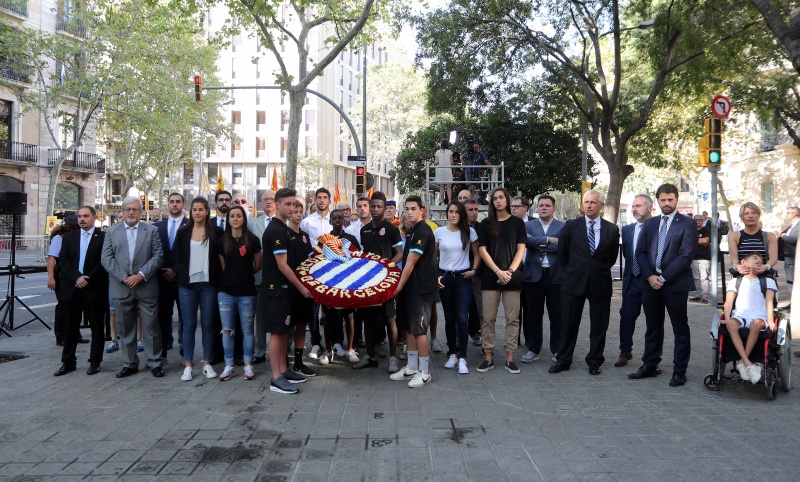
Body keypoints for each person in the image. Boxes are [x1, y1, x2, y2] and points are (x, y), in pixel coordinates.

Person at [629, 184, 697, 387]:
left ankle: (679, 370)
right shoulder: (650, 224)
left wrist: (664, 277)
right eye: (663, 200)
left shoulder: (687, 224)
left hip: (674, 284)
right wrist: (650, 276)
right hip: (650, 284)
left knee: (680, 328)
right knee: (652, 326)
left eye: (670, 200)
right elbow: (639, 252)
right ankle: (650, 364)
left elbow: (686, 255)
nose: (666, 203)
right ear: (657, 201)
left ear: (676, 200)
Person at [549, 190, 619, 375]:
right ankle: (563, 360)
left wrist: (596, 270)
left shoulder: (611, 229)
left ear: (601, 206)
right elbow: (562, 253)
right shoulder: (571, 226)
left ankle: (595, 361)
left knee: (599, 324)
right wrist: (573, 271)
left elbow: (611, 257)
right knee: (568, 323)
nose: (588, 205)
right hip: (573, 282)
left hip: (600, 282)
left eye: (593, 202)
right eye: (586, 202)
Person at [100, 196, 165, 378]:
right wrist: (124, 277)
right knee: (124, 327)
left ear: (141, 213)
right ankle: (129, 363)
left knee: (151, 326)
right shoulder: (112, 232)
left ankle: (155, 362)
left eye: (135, 209)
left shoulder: (151, 230)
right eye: (127, 209)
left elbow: (158, 256)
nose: (131, 212)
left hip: (146, 286)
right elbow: (106, 258)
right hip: (121, 287)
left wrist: (140, 275)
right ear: (122, 211)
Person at [261, 188, 312, 394]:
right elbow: (282, 265)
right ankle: (276, 378)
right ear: (277, 205)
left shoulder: (282, 228)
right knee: (277, 333)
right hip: (276, 290)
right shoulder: (276, 230)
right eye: (288, 204)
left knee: (283, 332)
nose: (291, 208)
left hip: (284, 290)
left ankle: (284, 370)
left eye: (294, 204)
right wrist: (302, 287)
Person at [390, 195, 439, 387]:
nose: (409, 212)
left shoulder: (423, 231)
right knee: (408, 328)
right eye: (407, 209)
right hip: (409, 289)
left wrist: (397, 287)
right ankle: (411, 367)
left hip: (420, 290)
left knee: (419, 331)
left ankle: (425, 372)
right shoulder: (411, 231)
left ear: (422, 210)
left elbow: (409, 263)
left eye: (413, 209)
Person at [54, 206, 109, 376]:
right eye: (80, 216)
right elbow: (63, 260)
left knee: (96, 326)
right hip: (72, 288)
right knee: (70, 327)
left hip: (94, 289)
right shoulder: (69, 237)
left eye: (86, 216)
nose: (82, 219)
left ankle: (95, 361)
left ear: (94, 217)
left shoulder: (103, 237)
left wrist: (88, 278)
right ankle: (68, 361)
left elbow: (104, 261)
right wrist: (76, 278)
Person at [476, 187, 526, 374]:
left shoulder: (517, 223)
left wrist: (510, 271)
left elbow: (521, 249)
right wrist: (498, 271)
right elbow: (482, 250)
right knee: (488, 319)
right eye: (495, 198)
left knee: (512, 319)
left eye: (501, 197)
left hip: (512, 278)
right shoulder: (486, 224)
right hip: (491, 277)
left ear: (507, 199)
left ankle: (510, 358)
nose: (498, 201)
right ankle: (488, 357)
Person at [173, 197, 224, 381]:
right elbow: (176, 256)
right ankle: (187, 365)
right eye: (194, 209)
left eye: (201, 209)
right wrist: (181, 273)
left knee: (209, 325)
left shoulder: (217, 232)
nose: (197, 213)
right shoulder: (183, 231)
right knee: (188, 326)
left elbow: (221, 257)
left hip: (209, 285)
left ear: (207, 211)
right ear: (191, 211)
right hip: (187, 286)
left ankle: (207, 363)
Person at [358, 191, 403, 372]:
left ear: (385, 208)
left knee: (390, 319)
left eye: (379, 206)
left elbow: (399, 253)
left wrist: (386, 267)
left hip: (387, 282)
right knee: (368, 320)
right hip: (369, 282)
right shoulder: (364, 230)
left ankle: (392, 358)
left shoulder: (392, 229)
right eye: (373, 206)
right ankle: (370, 356)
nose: (375, 210)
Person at [216, 205, 261, 381]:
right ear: (228, 220)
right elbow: (223, 267)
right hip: (226, 292)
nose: (235, 219)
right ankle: (229, 365)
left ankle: (248, 364)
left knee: (248, 330)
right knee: (227, 330)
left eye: (238, 216)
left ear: (244, 218)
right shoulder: (222, 241)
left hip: (247, 292)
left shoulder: (253, 240)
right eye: (232, 216)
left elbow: (258, 264)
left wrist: (245, 274)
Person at [435, 201, 480, 373]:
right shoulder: (438, 232)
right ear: (447, 213)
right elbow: (435, 255)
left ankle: (462, 357)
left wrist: (474, 270)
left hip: (463, 278)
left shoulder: (470, 231)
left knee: (462, 318)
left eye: (457, 212)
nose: (453, 215)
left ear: (461, 214)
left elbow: (477, 254)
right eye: (451, 212)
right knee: (449, 318)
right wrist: (437, 275)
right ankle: (451, 353)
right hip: (446, 278)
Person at [721, 252, 777, 384]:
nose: (759, 261)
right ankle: (748, 363)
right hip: (740, 315)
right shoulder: (735, 281)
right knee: (731, 324)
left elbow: (770, 302)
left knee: (755, 324)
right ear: (743, 263)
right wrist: (727, 318)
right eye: (755, 258)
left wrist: (770, 320)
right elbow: (728, 302)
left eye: (761, 260)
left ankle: (742, 361)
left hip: (759, 315)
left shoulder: (768, 281)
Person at [521, 195, 564, 364]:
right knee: (533, 314)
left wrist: (537, 243)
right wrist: (549, 240)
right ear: (536, 208)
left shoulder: (563, 226)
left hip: (556, 276)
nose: (544, 208)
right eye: (541, 205)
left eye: (547, 205)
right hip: (534, 276)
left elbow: (563, 246)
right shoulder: (527, 225)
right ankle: (534, 349)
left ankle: (557, 349)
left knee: (557, 315)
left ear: (554, 208)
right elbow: (526, 241)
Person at [318, 209, 362, 366]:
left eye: (340, 218)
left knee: (349, 317)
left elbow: (358, 261)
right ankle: (328, 350)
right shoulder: (324, 240)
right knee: (329, 319)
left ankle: (350, 349)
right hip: (329, 285)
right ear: (330, 221)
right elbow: (318, 262)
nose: (337, 220)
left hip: (348, 285)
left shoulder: (350, 239)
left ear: (345, 220)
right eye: (334, 218)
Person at [615, 194, 653, 368]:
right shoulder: (628, 230)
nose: (634, 209)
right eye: (633, 206)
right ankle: (625, 351)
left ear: (650, 207)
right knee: (627, 316)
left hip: (651, 281)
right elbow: (627, 254)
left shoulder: (658, 227)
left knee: (653, 320)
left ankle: (651, 358)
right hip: (632, 280)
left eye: (638, 206)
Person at [154, 193, 188, 360]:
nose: (174, 204)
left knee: (185, 315)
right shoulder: (157, 226)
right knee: (162, 315)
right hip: (162, 279)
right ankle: (163, 348)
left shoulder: (191, 225)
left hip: (183, 278)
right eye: (172, 202)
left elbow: (191, 253)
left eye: (178, 202)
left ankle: (184, 347)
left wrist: (176, 270)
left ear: (183, 204)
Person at [286, 199, 317, 376]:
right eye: (294, 211)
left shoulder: (304, 236)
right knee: (286, 328)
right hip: (290, 288)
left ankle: (299, 362)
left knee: (301, 324)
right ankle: (283, 361)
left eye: (300, 212)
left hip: (304, 289)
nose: (297, 214)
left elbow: (310, 261)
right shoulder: (284, 234)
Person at [300, 188, 332, 359]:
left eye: (324, 198)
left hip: (331, 271)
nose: (321, 201)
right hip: (313, 272)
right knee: (313, 310)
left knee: (331, 309)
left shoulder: (333, 222)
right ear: (315, 200)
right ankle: (315, 343)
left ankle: (332, 344)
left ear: (329, 201)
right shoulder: (306, 222)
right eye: (319, 198)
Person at [248, 190, 276, 364]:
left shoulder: (284, 223)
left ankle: (282, 347)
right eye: (265, 199)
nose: (268, 202)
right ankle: (259, 351)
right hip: (259, 276)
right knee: (259, 317)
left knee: (280, 314)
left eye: (271, 199)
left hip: (279, 276)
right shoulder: (253, 223)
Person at [47, 216, 79, 346]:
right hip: (61, 276)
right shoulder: (59, 237)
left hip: (74, 275)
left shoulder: (77, 237)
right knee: (63, 306)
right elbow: (51, 259)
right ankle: (61, 336)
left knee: (75, 307)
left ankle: (75, 335)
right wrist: (51, 278)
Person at [728, 202, 778, 275]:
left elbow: (773, 259)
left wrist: (766, 267)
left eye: (754, 213)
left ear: (758, 215)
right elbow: (734, 259)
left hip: (764, 278)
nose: (750, 216)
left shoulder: (770, 236)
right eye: (746, 213)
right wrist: (738, 267)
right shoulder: (735, 236)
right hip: (743, 277)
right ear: (742, 217)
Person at [464, 199, 483, 345]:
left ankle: (476, 332)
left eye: (476, 210)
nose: (474, 213)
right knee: (462, 305)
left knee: (478, 305)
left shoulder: (482, 228)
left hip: (478, 272)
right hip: (461, 272)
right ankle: (459, 336)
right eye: (470, 210)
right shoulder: (457, 228)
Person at [690, 214, 712, 304]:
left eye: (699, 219)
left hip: (704, 258)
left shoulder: (706, 230)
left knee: (704, 278)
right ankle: (698, 295)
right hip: (693, 258)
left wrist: (693, 241)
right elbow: (686, 240)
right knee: (695, 278)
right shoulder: (690, 230)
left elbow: (705, 240)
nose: (697, 221)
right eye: (696, 219)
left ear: (703, 221)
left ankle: (705, 296)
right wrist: (700, 241)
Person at [779, 206, 798, 309]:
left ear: (794, 214)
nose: (787, 214)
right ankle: (793, 303)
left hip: (794, 258)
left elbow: (794, 239)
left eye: (788, 212)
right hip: (788, 258)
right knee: (790, 282)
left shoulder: (798, 225)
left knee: (793, 282)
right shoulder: (792, 226)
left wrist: (783, 236)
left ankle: (795, 304)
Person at [434, 140, 454, 204]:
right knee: (448, 186)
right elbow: (452, 162)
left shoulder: (437, 152)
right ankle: (450, 201)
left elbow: (436, 162)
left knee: (441, 186)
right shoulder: (450, 152)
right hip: (447, 169)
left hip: (440, 170)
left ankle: (442, 202)